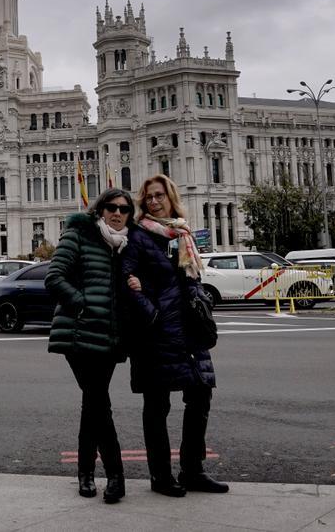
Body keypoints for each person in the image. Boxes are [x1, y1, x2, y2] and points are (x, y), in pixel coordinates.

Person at [122, 174, 228, 497]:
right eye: (149, 197)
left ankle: (192, 469)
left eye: (159, 196)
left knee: (200, 396)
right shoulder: (137, 236)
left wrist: (201, 300)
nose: (154, 201)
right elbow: (126, 279)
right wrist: (151, 312)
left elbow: (191, 277)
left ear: (170, 198)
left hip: (188, 333)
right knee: (157, 405)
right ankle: (161, 476)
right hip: (155, 334)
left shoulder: (182, 233)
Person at [46, 188, 137, 504]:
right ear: (100, 210)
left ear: (129, 215)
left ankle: (85, 473)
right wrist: (81, 303)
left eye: (123, 209)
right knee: (100, 403)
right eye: (110, 207)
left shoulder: (126, 245)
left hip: (110, 338)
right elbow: (54, 276)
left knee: (92, 404)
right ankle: (115, 475)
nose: (116, 213)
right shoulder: (80, 234)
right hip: (79, 334)